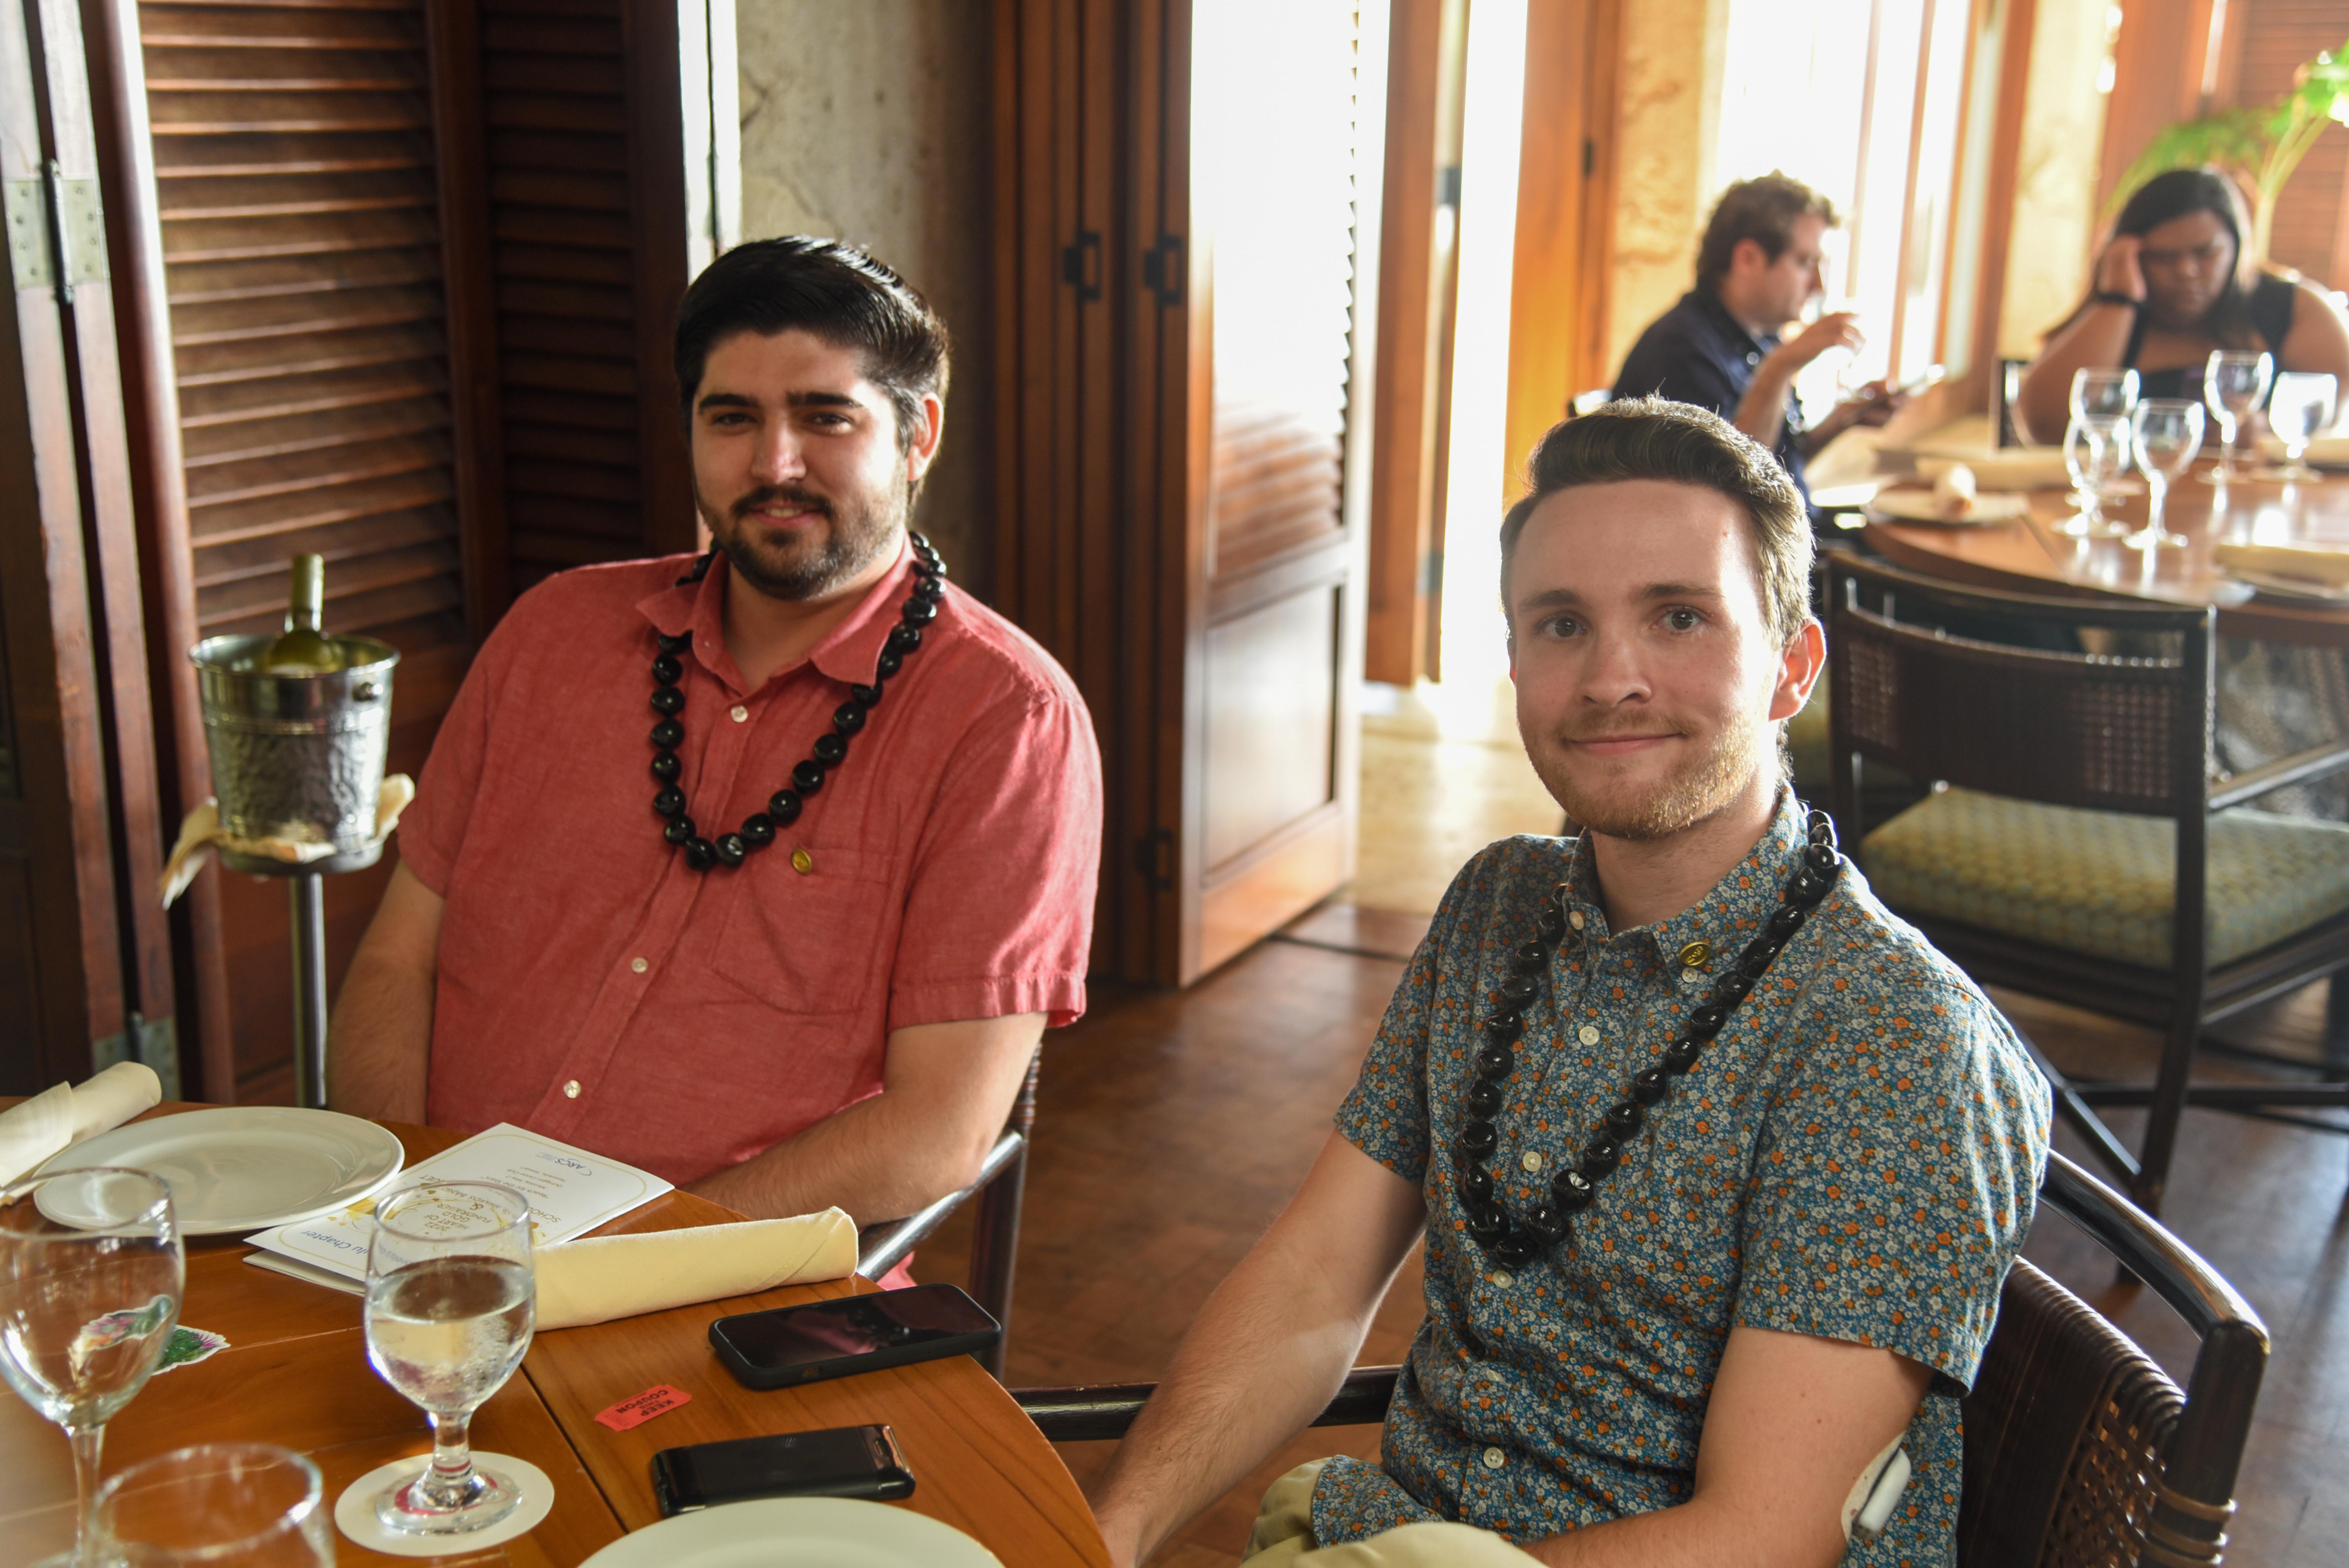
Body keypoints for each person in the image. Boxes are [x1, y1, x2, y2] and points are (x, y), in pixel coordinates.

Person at [1089, 399, 2050, 1567]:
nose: (1609, 679)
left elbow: (1761, 1536)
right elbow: (1311, 1279)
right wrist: (1105, 1536)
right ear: (1512, 662)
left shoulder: (1890, 1038)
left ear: (1791, 668)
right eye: (1560, 624)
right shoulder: (1498, 902)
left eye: (1678, 616)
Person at [328, 238, 1103, 1245]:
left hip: (724, 1277)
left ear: (918, 436)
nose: (774, 464)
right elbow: (397, 960)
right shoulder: (551, 632)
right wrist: (406, 1218)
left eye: (825, 417)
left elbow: (937, 1132)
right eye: (732, 418)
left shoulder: (1005, 721)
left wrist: (610, 1264)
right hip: (425, 1246)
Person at [1612, 174, 1903, 520]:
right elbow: (1729, 495)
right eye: (1805, 263)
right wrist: (1781, 366)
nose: (1819, 286)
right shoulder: (1680, 350)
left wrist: (1844, 421)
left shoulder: (1759, 337)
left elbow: (1778, 462)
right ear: (1748, 258)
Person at [2017, 166, 2349, 442]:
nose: (2186, 271)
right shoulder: (2116, 314)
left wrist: (2267, 429)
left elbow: (2335, 404)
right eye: (2163, 257)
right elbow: (2043, 426)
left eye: (2206, 253)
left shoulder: (2291, 306)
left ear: (2237, 247)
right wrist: (2118, 300)